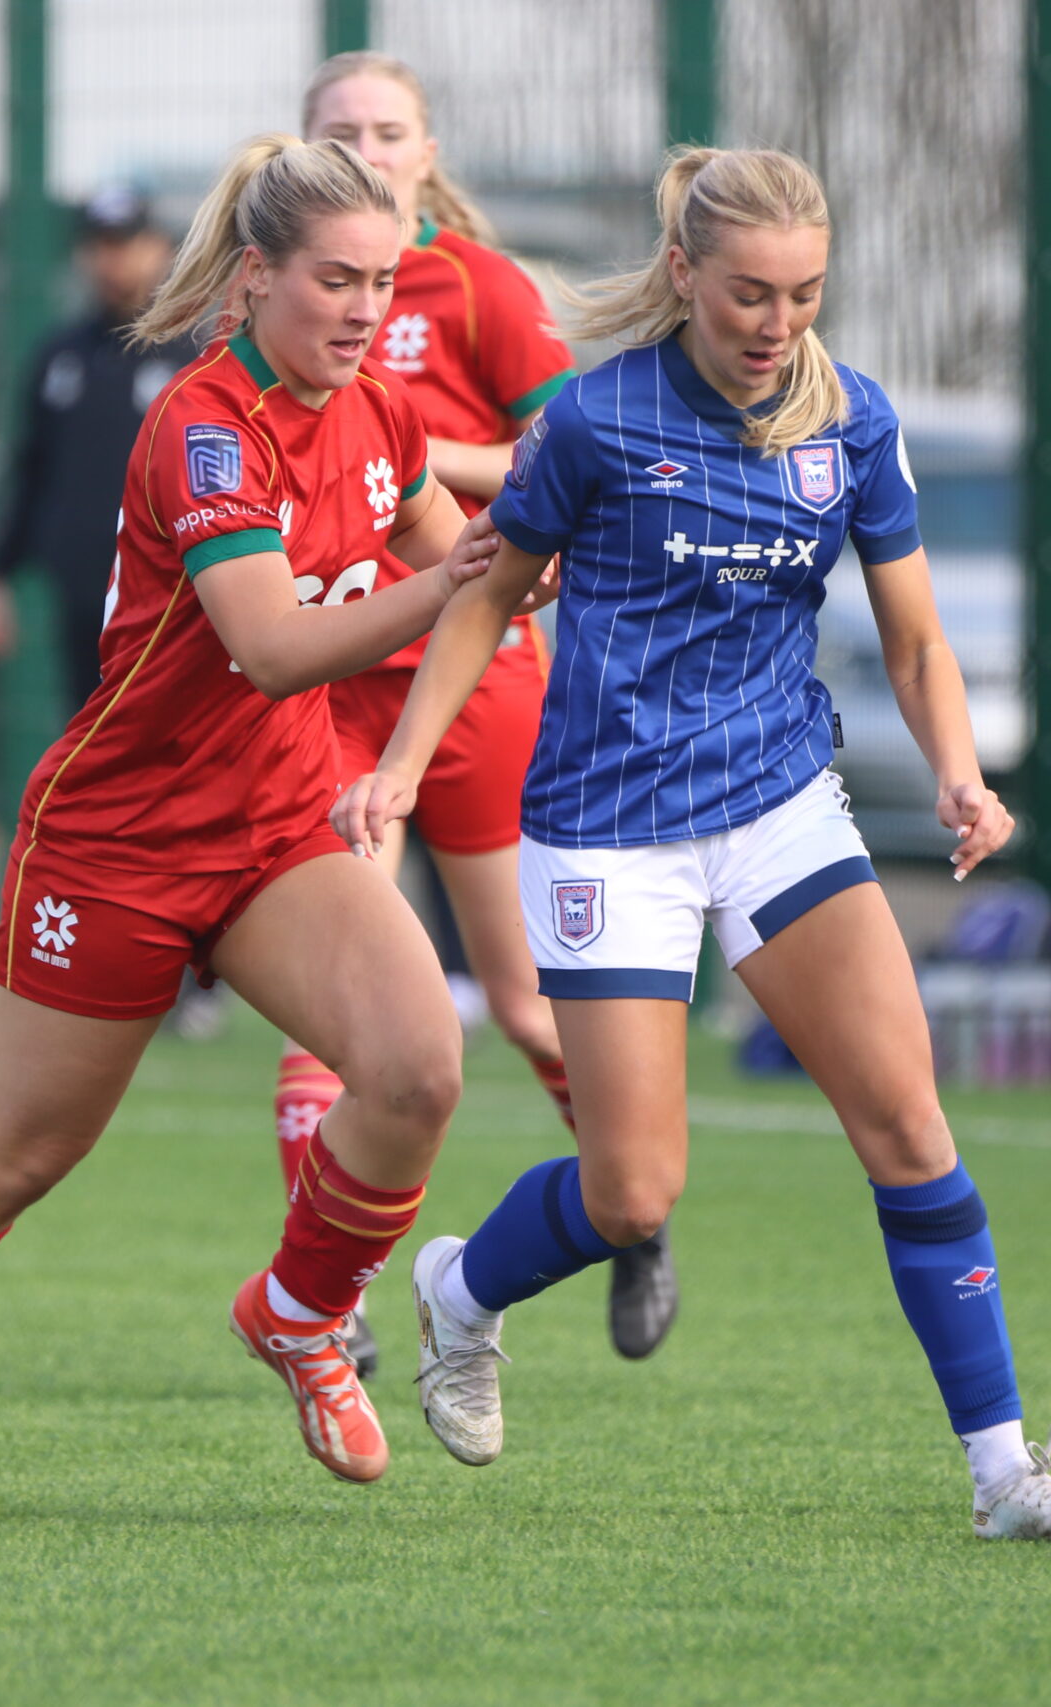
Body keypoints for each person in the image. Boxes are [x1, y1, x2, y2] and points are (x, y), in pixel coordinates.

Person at [335, 147, 1051, 1543]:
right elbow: (486, 594)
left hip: (778, 806)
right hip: (607, 828)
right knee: (633, 1189)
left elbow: (915, 640)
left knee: (907, 1124)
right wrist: (402, 767)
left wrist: (960, 774)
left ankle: (1003, 1475)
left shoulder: (852, 423)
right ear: (684, 276)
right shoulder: (595, 419)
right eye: (749, 295)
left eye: (805, 293)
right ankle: (459, 1291)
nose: (778, 323)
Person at [0, 135, 507, 1515]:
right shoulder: (203, 426)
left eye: (381, 282)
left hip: (276, 829)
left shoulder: (384, 412)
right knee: (21, 1153)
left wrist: (555, 539)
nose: (362, 309)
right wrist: (465, 569)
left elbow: (472, 568)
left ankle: (299, 1310)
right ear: (255, 277)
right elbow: (274, 647)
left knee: (419, 1069)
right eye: (334, 280)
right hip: (118, 842)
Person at [287, 53, 678, 1372]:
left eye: (388, 129)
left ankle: (629, 1207)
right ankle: (326, 1302)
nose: (367, 149)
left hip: (477, 670)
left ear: (426, 152)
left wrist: (405, 451)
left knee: (521, 1000)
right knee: (326, 1010)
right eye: (341, 131)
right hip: (333, 683)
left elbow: (560, 451)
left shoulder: (477, 285)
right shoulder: (278, 291)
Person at [0, 184, 198, 717]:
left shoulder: (192, 356)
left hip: (172, 601)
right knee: (90, 728)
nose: (111, 259)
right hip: (81, 600)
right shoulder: (59, 357)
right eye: (99, 245)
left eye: (125, 243)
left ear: (159, 249)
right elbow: (32, 474)